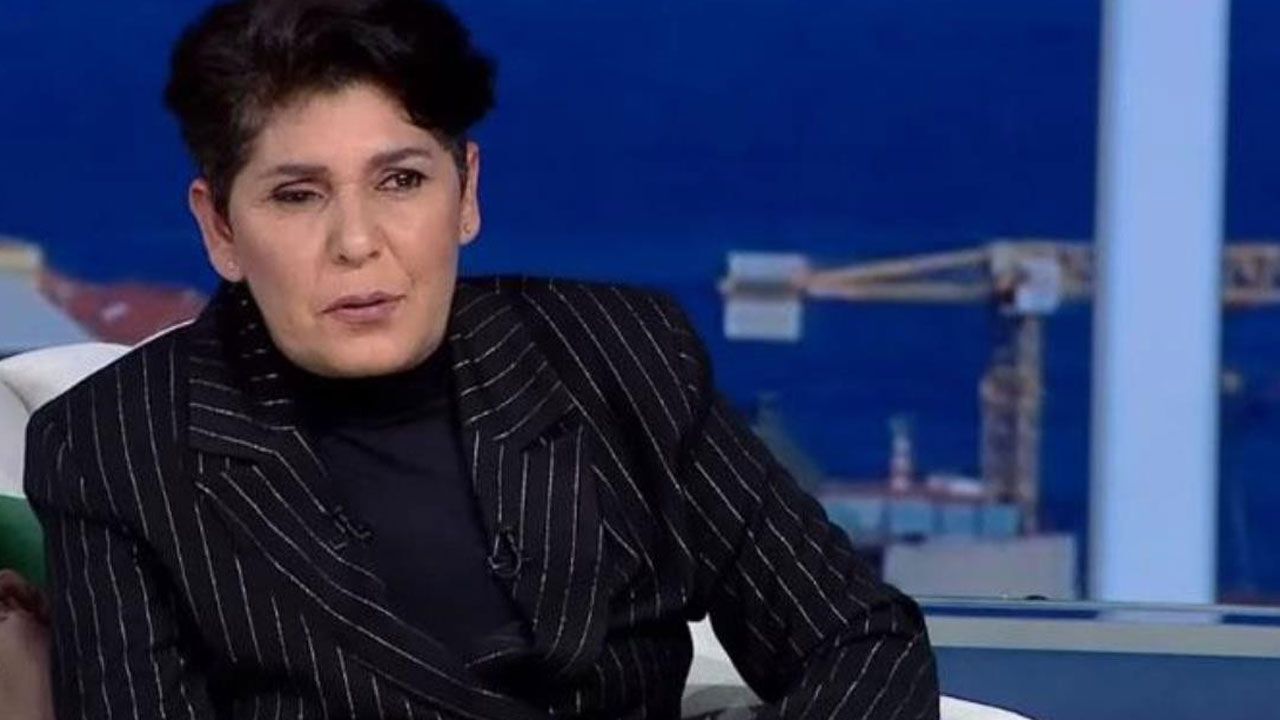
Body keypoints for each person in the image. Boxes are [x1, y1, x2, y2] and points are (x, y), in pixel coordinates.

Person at [19, 0, 939, 717]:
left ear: (466, 194)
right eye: (298, 195)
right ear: (220, 228)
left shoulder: (621, 353)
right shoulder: (115, 446)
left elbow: (858, 640)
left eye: (401, 181)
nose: (357, 243)